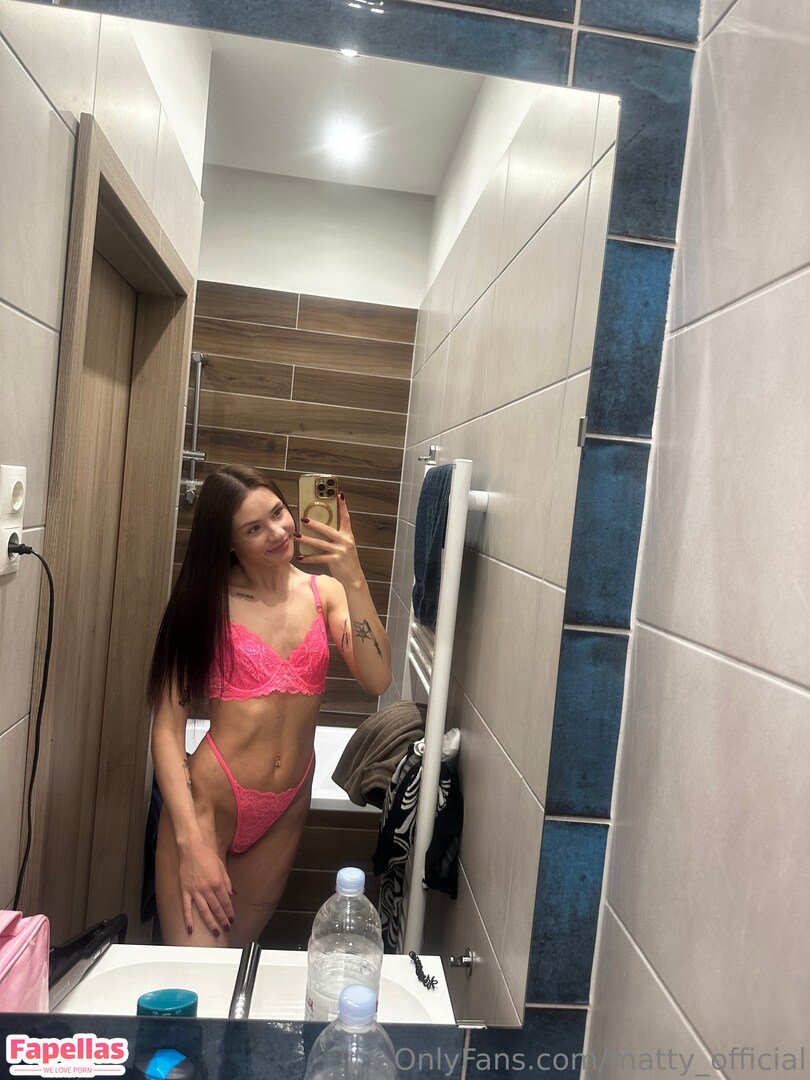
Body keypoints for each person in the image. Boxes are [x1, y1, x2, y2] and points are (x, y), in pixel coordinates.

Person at [147, 464, 391, 946]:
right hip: (210, 806)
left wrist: (354, 576)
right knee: (200, 971)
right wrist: (189, 843)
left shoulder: (325, 593)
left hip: (285, 808)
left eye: (278, 512)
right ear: (228, 542)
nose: (278, 532)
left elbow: (377, 677)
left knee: (238, 958)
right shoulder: (205, 602)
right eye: (254, 528)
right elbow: (167, 730)